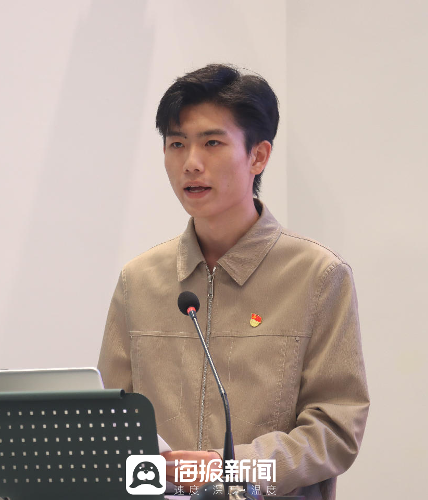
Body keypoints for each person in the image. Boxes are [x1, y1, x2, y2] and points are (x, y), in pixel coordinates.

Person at [97, 64, 369, 500]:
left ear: (258, 156)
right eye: (177, 144)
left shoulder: (318, 275)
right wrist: (152, 473)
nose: (191, 163)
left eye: (212, 143)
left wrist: (233, 470)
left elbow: (334, 432)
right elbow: (111, 425)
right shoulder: (139, 280)